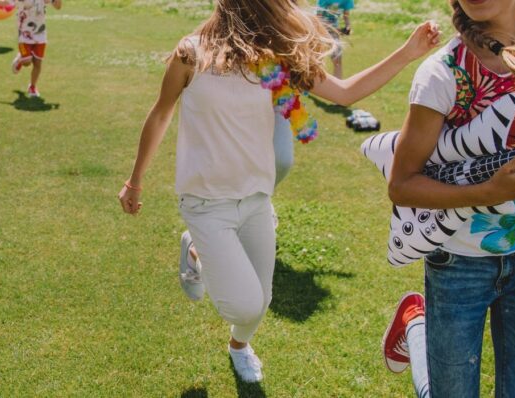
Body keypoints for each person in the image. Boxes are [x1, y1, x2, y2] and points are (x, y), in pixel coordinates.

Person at [116, 0, 437, 383]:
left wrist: (408, 52)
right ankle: (199, 252)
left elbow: (346, 93)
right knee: (246, 305)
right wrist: (134, 180)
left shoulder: (275, 58)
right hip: (205, 204)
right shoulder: (190, 53)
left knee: (262, 301)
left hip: (255, 200)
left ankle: (238, 346)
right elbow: (161, 113)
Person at [181, 20, 441, 301]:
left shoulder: (286, 33)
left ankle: (245, 214)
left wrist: (406, 52)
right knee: (232, 183)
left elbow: (344, 92)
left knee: (280, 160)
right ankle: (199, 242)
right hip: (232, 103)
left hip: (273, 94)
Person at [382, 0, 515, 395]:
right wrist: (487, 193)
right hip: (458, 262)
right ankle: (416, 328)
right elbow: (401, 184)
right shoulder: (441, 74)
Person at [9, 0, 61, 97]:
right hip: (24, 34)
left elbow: (58, 7)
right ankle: (20, 60)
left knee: (38, 63)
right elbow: (4, 3)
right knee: (27, 62)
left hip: (40, 34)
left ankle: (32, 87)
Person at [316, 0, 354, 78]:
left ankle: (338, 83)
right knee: (317, 59)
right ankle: (308, 85)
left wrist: (348, 26)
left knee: (337, 59)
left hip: (334, 29)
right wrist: (333, 29)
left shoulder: (347, 1)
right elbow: (318, 17)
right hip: (318, 29)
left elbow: (346, 15)